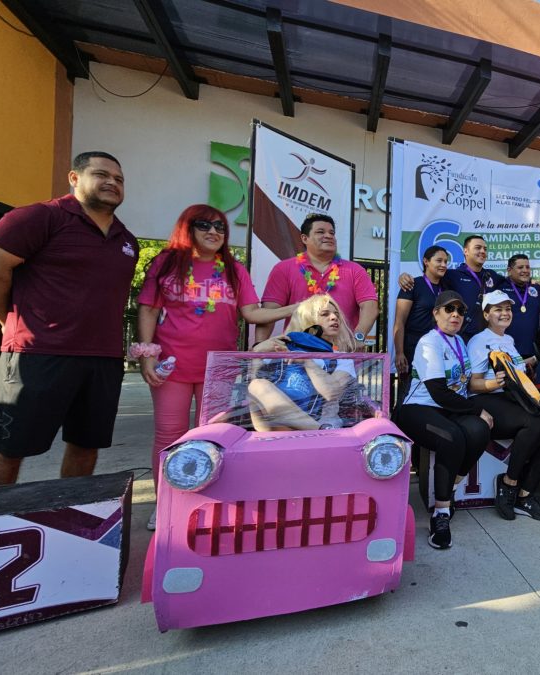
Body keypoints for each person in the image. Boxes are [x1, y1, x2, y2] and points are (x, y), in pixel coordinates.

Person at [0, 151, 137, 488]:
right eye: (101, 174)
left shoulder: (126, 240)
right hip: (38, 354)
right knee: (7, 448)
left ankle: (68, 514)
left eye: (118, 179)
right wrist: (11, 320)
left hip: (103, 361)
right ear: (74, 179)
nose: (112, 183)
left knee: (87, 445)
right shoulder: (40, 217)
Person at [135, 205, 297, 528]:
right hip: (172, 368)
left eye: (220, 227)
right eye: (204, 225)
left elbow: (252, 313)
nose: (213, 232)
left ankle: (204, 503)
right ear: (188, 228)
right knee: (170, 436)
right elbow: (149, 310)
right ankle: (166, 502)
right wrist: (147, 353)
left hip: (219, 369)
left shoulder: (235, 270)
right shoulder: (165, 264)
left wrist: (297, 307)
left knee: (211, 437)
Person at [393, 291, 493, 549]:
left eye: (460, 311)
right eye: (449, 309)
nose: (455, 315)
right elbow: (438, 391)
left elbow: (461, 386)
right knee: (452, 438)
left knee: (480, 430)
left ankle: (450, 488)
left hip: (447, 407)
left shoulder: (459, 342)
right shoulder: (430, 342)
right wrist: (474, 408)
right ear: (435, 314)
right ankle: (441, 513)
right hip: (418, 407)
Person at [467, 291, 540, 522]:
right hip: (486, 399)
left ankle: (525, 494)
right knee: (535, 423)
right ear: (487, 314)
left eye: (507, 309)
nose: (504, 313)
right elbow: (473, 383)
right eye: (498, 309)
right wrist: (494, 382)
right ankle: (509, 484)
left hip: (512, 400)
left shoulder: (508, 341)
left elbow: (519, 377)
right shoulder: (479, 340)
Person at [256, 214, 377, 346]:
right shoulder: (284, 269)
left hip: (343, 354)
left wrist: (358, 338)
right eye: (321, 232)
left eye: (332, 233)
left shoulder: (354, 270)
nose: (329, 236)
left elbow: (370, 307)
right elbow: (269, 314)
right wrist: (258, 346)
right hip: (297, 353)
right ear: (304, 238)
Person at [248, 294, 365, 432]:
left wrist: (308, 362)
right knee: (256, 385)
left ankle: (317, 430)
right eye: (325, 314)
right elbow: (252, 390)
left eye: (336, 314)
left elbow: (332, 393)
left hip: (313, 429)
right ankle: (320, 431)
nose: (334, 318)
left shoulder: (342, 358)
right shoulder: (279, 347)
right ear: (307, 319)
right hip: (277, 426)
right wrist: (257, 353)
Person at [399, 235, 506, 341]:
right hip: (461, 338)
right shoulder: (452, 275)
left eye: (485, 249)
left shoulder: (492, 276)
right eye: (478, 248)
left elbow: (512, 282)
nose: (483, 251)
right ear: (466, 251)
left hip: (486, 338)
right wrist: (403, 277)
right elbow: (430, 278)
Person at [393, 245, 448, 378]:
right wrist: (400, 352)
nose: (443, 265)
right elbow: (399, 322)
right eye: (439, 261)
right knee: (409, 390)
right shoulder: (412, 285)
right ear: (426, 261)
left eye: (446, 261)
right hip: (414, 348)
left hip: (438, 348)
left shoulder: (446, 287)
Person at [497, 254, 540, 364]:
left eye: (527, 267)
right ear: (509, 270)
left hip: (533, 351)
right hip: (508, 349)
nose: (525, 270)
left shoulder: (537, 288)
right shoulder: (500, 288)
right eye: (520, 267)